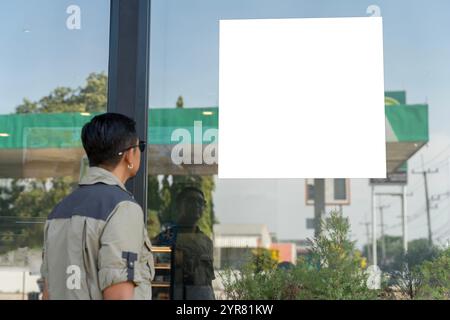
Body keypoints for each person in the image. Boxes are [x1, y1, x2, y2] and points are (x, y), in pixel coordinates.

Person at [40, 113, 154, 300]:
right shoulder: (123, 208)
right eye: (140, 146)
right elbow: (119, 295)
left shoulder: (59, 210)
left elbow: (48, 292)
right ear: (129, 155)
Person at [154, 187, 215, 300]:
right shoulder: (165, 238)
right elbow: (156, 277)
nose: (197, 205)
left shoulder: (206, 242)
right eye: (191, 200)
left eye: (201, 202)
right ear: (179, 205)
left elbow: (208, 281)